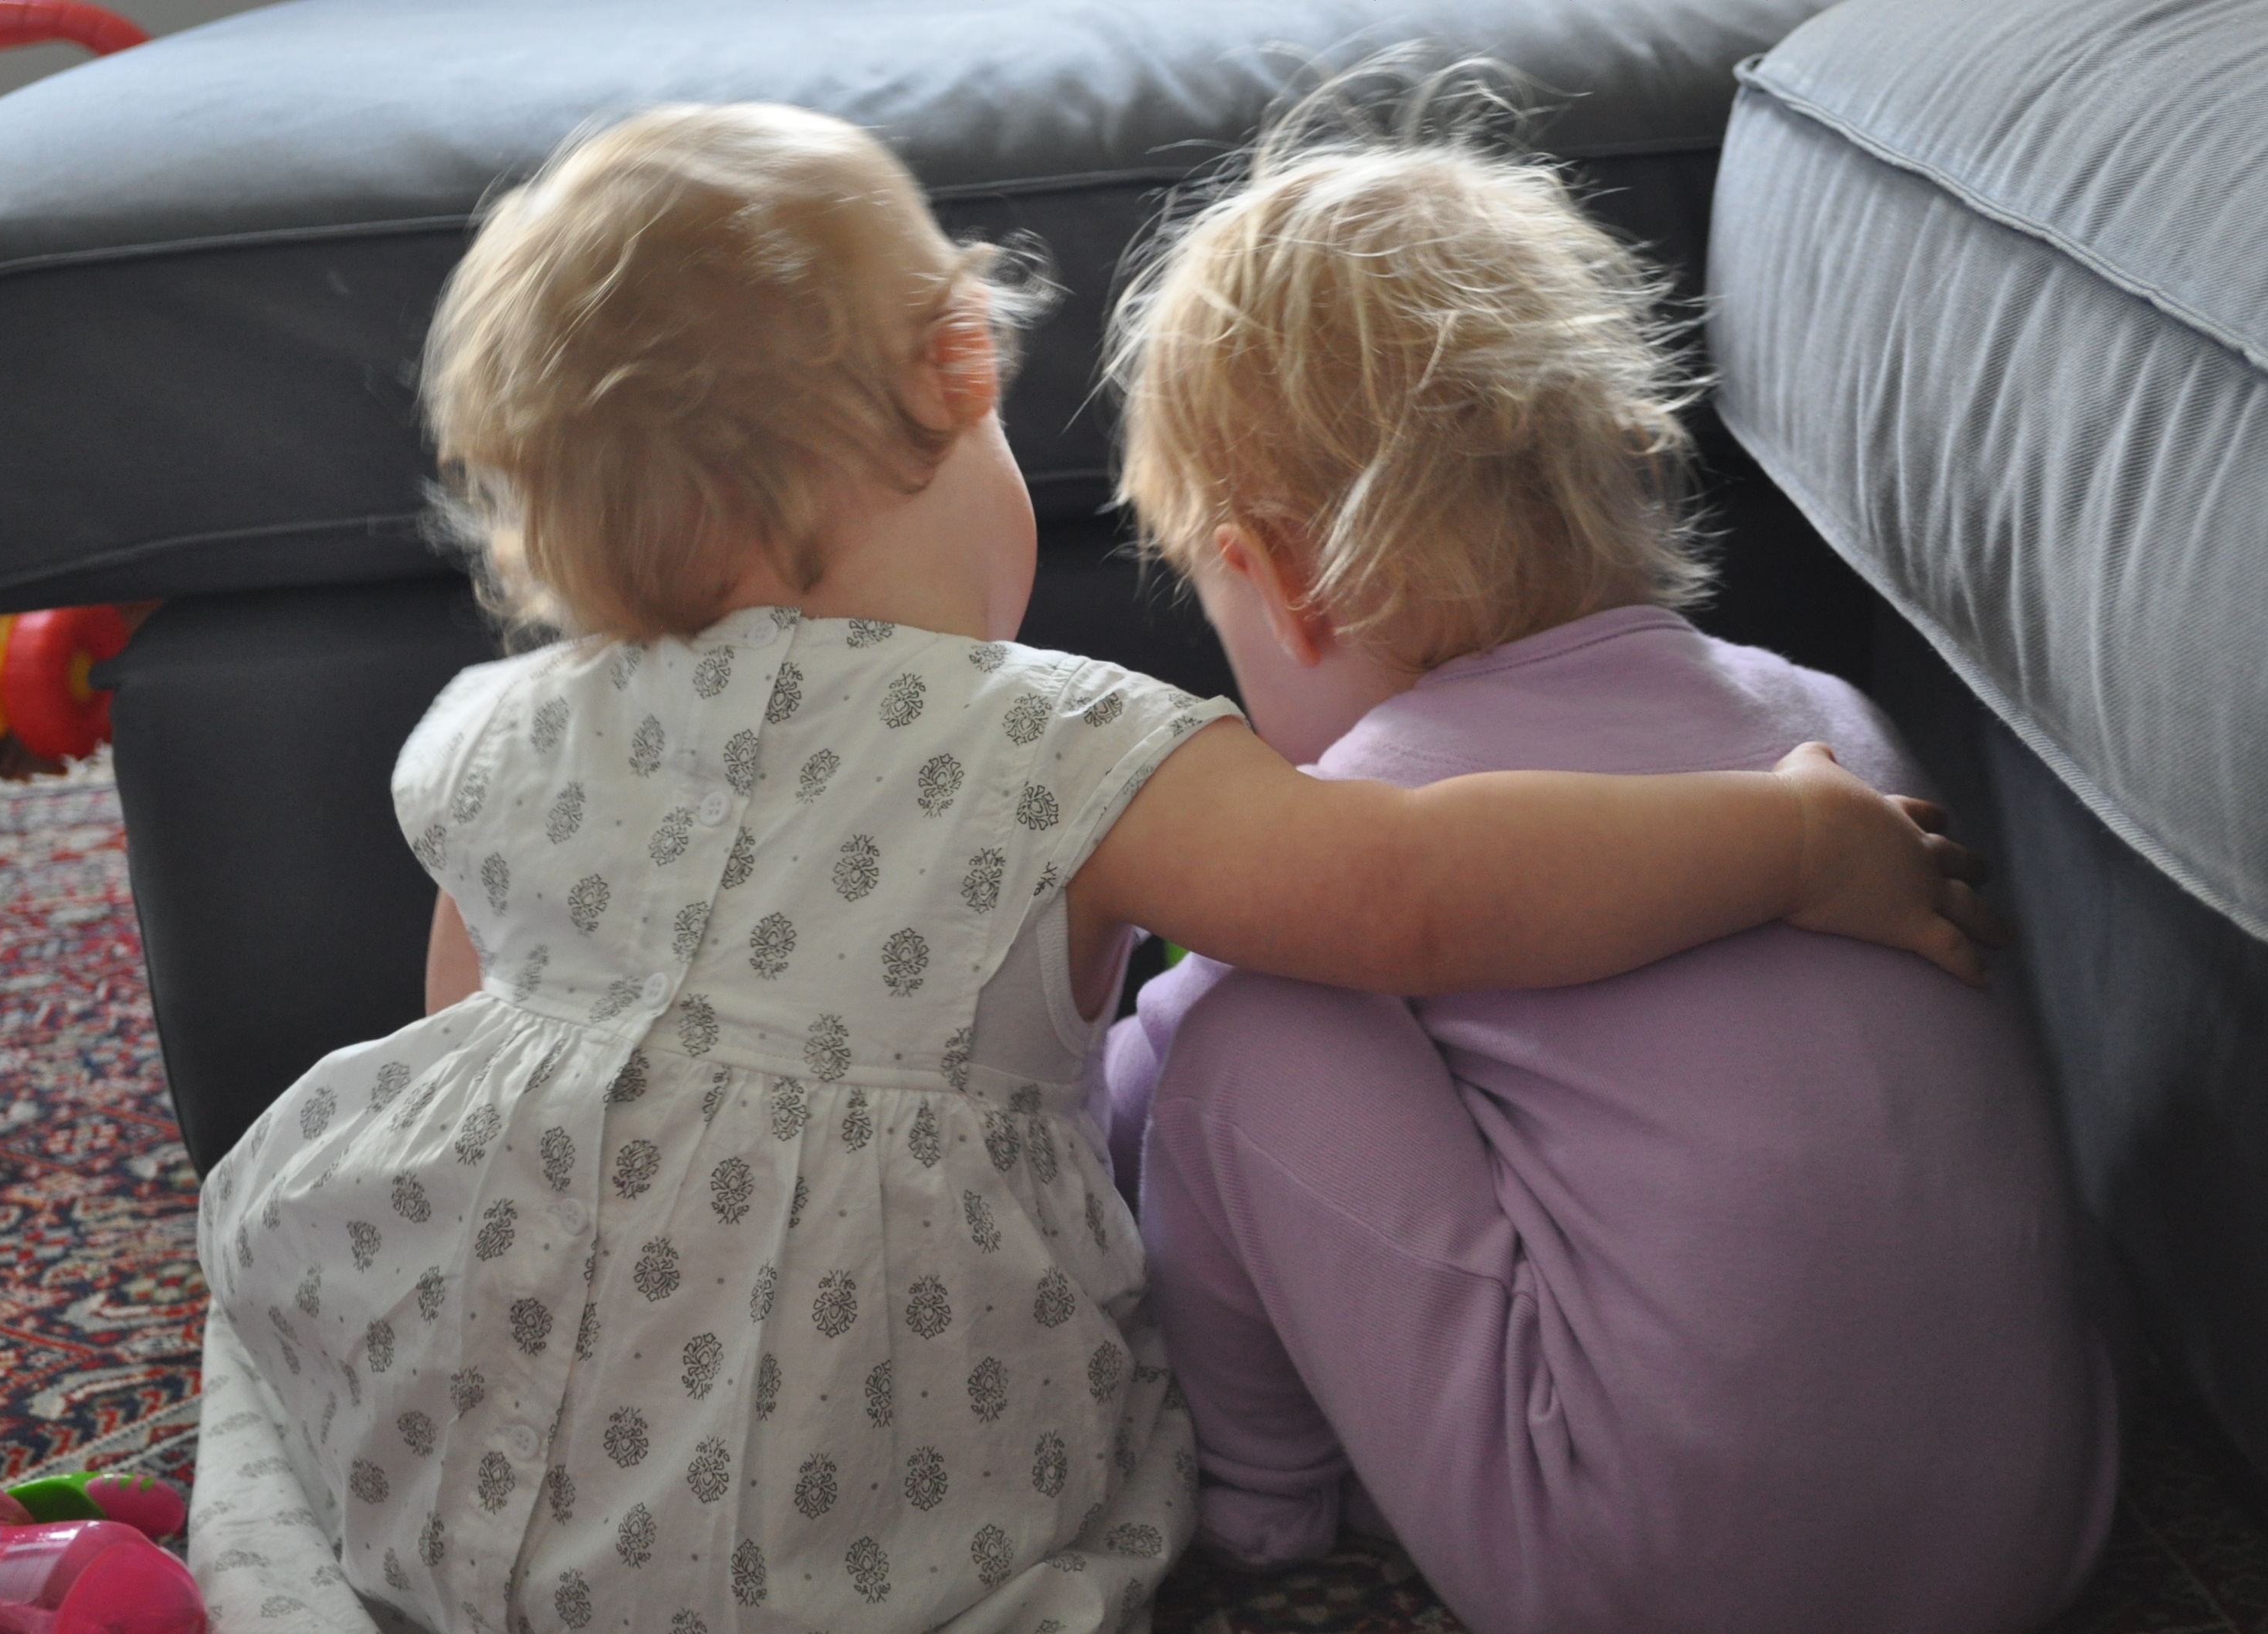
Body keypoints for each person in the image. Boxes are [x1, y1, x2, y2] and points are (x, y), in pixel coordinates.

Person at [187, 103, 2001, 1634]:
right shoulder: (1060, 741)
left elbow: (470, 1037)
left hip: (503, 1478)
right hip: (851, 1518)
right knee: (1242, 1017)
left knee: (1237, 1029)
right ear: (961, 369)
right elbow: (1403, 889)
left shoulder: (500, 727)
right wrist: (1783, 838)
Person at [1098, 111, 2118, 1634]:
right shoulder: (1832, 723)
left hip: (1664, 1574)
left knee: (1243, 1038)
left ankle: (1264, 1497)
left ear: (1276, 583)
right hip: (2036, 1526)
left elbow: (1166, 1099)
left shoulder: (1369, 816)